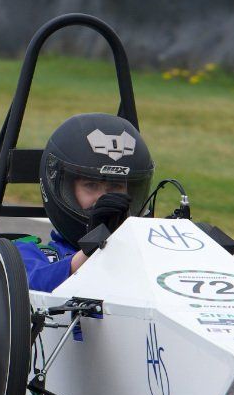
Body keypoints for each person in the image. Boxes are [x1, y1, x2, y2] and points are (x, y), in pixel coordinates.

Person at [13, 113, 156, 292]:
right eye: (91, 185)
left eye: (115, 186)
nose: (103, 198)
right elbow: (31, 286)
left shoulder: (149, 255)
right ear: (65, 188)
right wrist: (93, 245)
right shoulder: (30, 253)